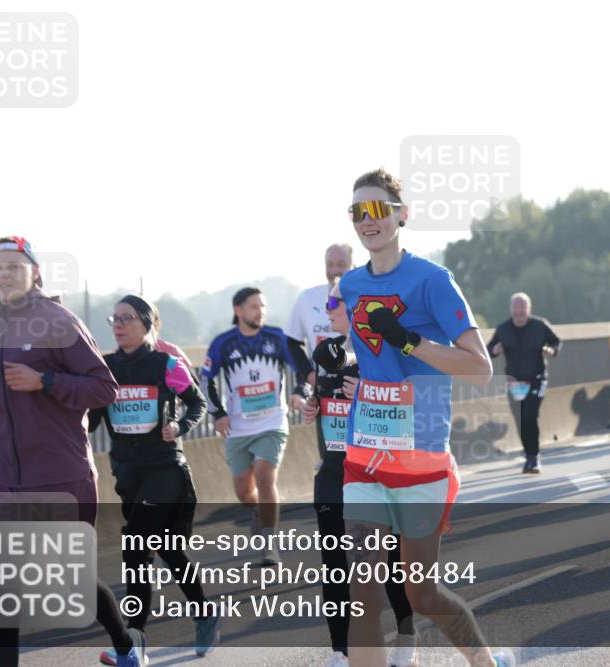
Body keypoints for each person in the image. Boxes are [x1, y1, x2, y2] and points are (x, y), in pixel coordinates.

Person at [339, 168, 514, 667]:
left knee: (422, 595)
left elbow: (480, 368)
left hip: (420, 456)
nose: (367, 221)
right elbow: (371, 359)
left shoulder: (433, 280)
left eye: (377, 210)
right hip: (365, 453)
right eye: (357, 212)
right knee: (364, 594)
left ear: (401, 215)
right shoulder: (350, 285)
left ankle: (484, 661)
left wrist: (410, 341)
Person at [0, 237, 147, 667]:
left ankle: (125, 648)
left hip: (60, 475)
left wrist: (44, 380)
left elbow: (104, 388)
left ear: (36, 272)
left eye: (12, 266)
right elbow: (6, 402)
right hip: (5, 479)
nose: (2, 275)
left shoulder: (59, 322)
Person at [90, 295, 218, 665]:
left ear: (147, 324)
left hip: (166, 468)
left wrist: (179, 425)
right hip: (128, 473)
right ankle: (205, 613)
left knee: (135, 547)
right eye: (114, 318)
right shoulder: (105, 368)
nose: (118, 324)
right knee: (169, 551)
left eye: (127, 318)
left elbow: (196, 402)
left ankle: (135, 639)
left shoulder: (166, 364)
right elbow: (95, 418)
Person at [301, 280, 418, 667]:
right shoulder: (325, 353)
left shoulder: (385, 351)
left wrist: (366, 395)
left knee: (386, 566)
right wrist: (311, 408)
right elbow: (318, 397)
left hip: (378, 473)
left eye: (333, 304)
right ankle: (339, 651)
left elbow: (412, 406)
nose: (328, 310)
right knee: (334, 566)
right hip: (334, 471)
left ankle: (406, 637)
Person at [201, 287, 312, 565]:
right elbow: (205, 379)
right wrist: (219, 413)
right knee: (243, 490)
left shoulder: (277, 338)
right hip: (237, 427)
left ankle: (269, 544)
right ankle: (259, 512)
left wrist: (300, 391)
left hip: (273, 422)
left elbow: (303, 367)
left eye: (262, 305)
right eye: (253, 306)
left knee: (265, 477)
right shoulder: (223, 343)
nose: (260, 311)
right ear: (238, 310)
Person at [487, 292, 562, 473]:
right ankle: (529, 454)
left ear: (528, 309)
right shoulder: (503, 329)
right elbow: (489, 349)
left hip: (536, 379)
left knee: (530, 414)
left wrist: (551, 350)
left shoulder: (539, 325)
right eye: (516, 307)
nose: (519, 311)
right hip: (514, 383)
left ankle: (534, 457)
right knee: (521, 419)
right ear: (511, 309)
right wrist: (494, 350)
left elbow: (556, 341)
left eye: (522, 307)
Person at [286, 243, 356, 362]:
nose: (335, 270)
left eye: (341, 264)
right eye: (329, 265)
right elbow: (292, 342)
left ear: (353, 266)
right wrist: (308, 373)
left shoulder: (365, 297)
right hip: (321, 379)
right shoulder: (307, 298)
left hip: (358, 378)